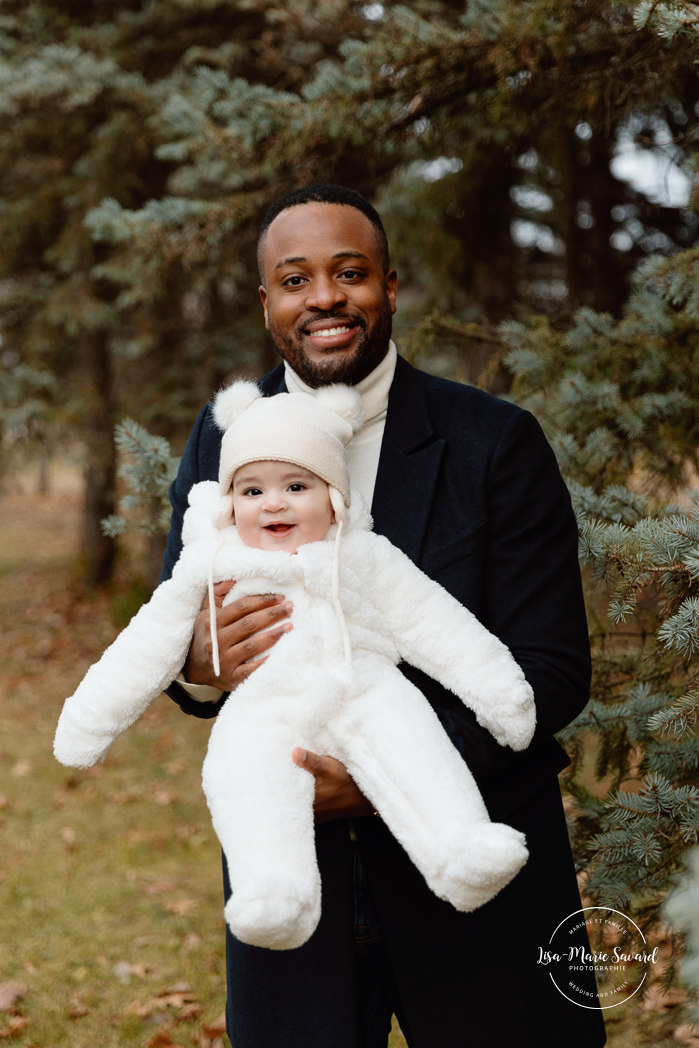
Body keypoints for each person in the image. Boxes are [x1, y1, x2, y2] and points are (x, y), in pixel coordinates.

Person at [162, 184, 607, 1047]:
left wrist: (382, 780)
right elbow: (182, 623)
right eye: (295, 279)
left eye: (349, 273)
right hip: (298, 882)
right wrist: (198, 659)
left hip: (478, 870)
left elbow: (550, 670)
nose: (324, 297)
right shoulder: (224, 440)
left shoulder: (493, 441)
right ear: (267, 304)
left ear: (390, 287)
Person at [54, 380, 536, 953]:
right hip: (268, 706)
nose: (273, 503)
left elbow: (434, 623)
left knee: (415, 745)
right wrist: (90, 721)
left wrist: (503, 694)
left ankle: (461, 849)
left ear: (332, 496)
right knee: (247, 774)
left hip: (368, 689)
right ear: (231, 503)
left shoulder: (363, 555)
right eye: (253, 489)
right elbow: (145, 645)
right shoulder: (209, 566)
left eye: (296, 485)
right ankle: (274, 891)